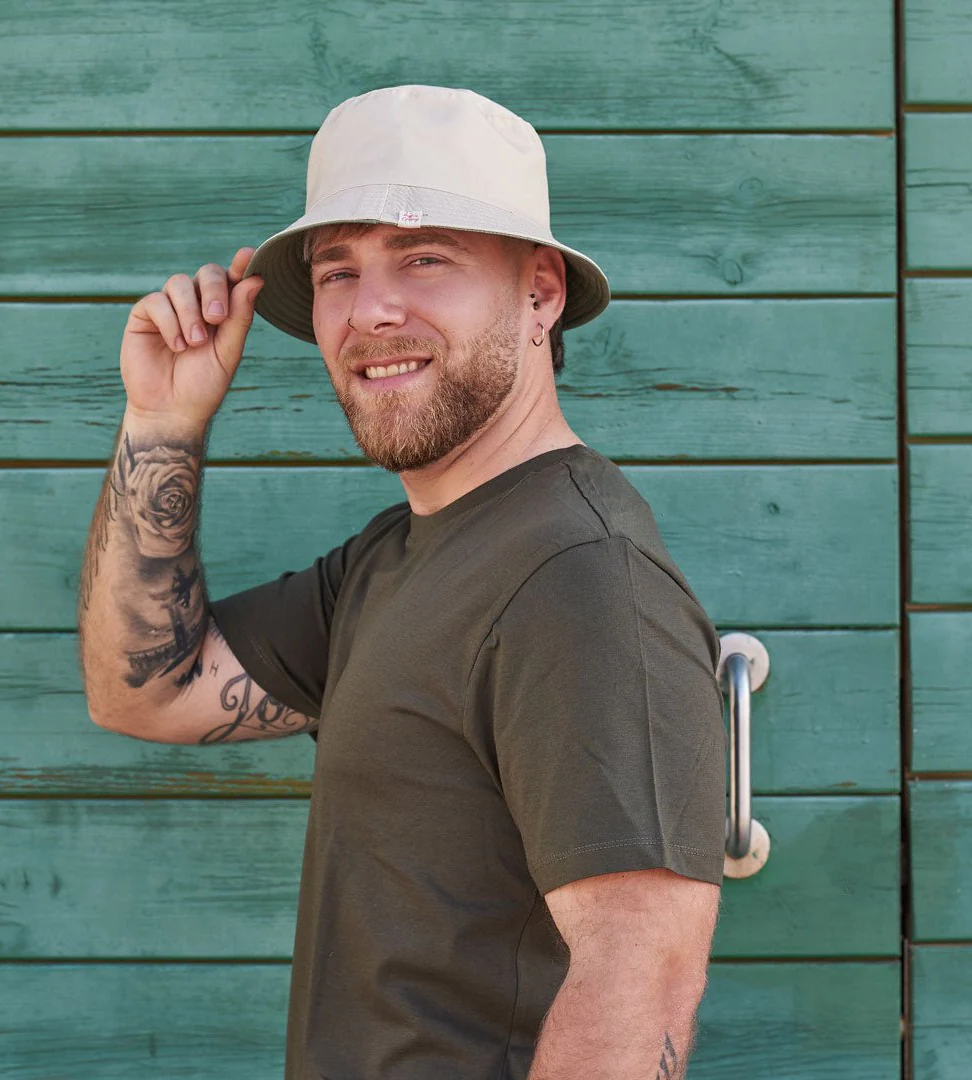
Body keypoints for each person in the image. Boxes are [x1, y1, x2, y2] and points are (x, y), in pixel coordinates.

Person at [78, 84, 727, 1080]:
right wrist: (163, 424)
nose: (371, 310)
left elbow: (639, 985)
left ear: (540, 293)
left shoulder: (583, 578)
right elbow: (146, 690)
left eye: (425, 259)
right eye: (338, 271)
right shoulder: (396, 555)